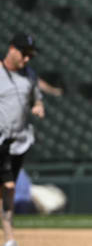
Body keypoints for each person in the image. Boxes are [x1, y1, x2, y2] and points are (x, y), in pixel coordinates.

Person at [0, 33, 46, 246]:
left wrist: (38, 107)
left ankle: (9, 238)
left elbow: (36, 100)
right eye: (24, 54)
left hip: (19, 142)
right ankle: (9, 238)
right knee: (7, 186)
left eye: (30, 56)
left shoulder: (29, 75)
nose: (27, 59)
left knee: (8, 191)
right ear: (12, 49)